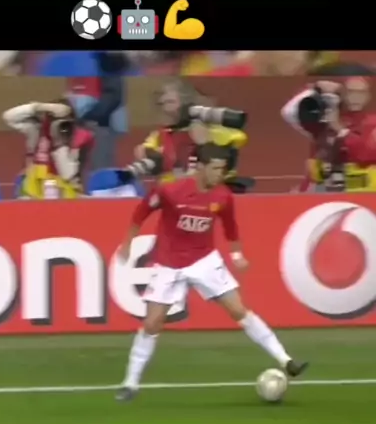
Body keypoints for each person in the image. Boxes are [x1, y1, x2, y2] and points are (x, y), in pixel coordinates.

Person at [115, 143, 308, 401]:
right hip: (169, 262)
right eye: (215, 168)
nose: (220, 174)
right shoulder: (171, 190)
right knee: (152, 323)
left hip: (204, 260)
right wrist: (127, 243)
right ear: (201, 167)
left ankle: (287, 360)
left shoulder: (222, 196)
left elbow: (230, 227)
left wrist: (237, 255)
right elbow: (141, 212)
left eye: (222, 169)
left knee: (238, 310)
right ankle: (130, 383)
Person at [281, 77, 376, 192]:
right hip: (321, 189)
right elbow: (288, 112)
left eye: (361, 92)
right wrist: (315, 88)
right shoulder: (324, 120)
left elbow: (364, 154)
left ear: (368, 96)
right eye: (350, 92)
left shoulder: (372, 122)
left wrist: (339, 129)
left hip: (361, 192)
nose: (355, 97)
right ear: (343, 94)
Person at [2, 99, 93, 198]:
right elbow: (9, 117)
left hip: (65, 194)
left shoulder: (79, 137)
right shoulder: (37, 129)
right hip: (34, 191)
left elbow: (67, 175)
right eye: (54, 119)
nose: (58, 124)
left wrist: (59, 142)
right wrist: (42, 107)